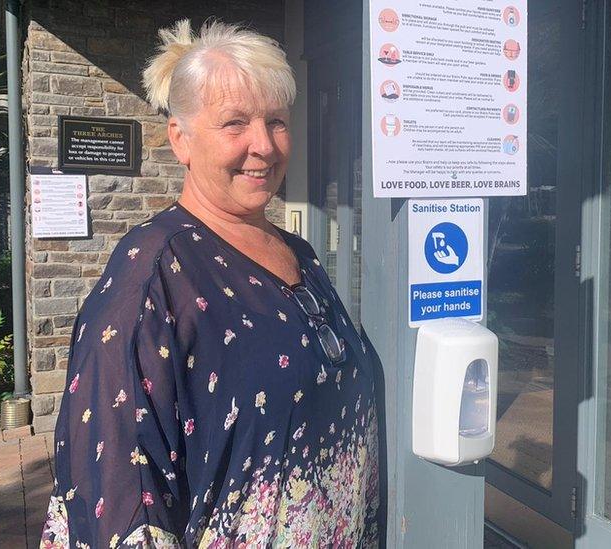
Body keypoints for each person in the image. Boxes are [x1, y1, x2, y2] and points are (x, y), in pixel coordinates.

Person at [39, 20, 380, 548]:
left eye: (277, 122)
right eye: (235, 123)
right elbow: (117, 490)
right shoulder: (151, 277)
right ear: (181, 138)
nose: (264, 145)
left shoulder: (300, 254)